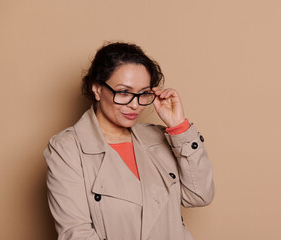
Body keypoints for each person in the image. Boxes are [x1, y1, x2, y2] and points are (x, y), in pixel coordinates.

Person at [44, 42, 215, 240]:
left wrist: (178, 127)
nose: (135, 105)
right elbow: (76, 233)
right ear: (97, 89)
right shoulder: (67, 148)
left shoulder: (159, 137)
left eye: (143, 94)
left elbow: (199, 196)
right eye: (124, 92)